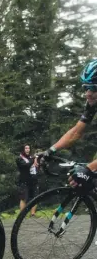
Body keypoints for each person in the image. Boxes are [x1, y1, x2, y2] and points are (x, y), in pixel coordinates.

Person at [39, 59, 97, 191]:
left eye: (93, 88)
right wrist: (50, 150)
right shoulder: (92, 104)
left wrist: (88, 169)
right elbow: (76, 132)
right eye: (86, 87)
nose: (87, 93)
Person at [16, 144, 39, 216]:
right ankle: (22, 215)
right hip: (24, 181)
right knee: (23, 198)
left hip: (34, 180)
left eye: (28, 148)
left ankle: (33, 214)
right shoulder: (19, 158)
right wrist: (34, 159)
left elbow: (37, 166)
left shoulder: (33, 158)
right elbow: (26, 165)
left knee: (35, 197)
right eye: (26, 148)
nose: (27, 150)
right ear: (23, 149)